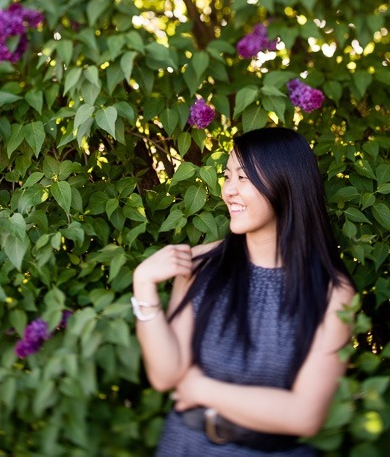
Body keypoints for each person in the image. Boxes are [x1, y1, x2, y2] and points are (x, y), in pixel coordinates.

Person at [132, 127, 356, 456]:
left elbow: (304, 416)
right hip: (185, 446)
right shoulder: (201, 265)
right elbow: (167, 376)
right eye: (227, 176)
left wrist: (200, 387)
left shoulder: (331, 293)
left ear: (285, 182)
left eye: (244, 178)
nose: (229, 191)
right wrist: (143, 283)